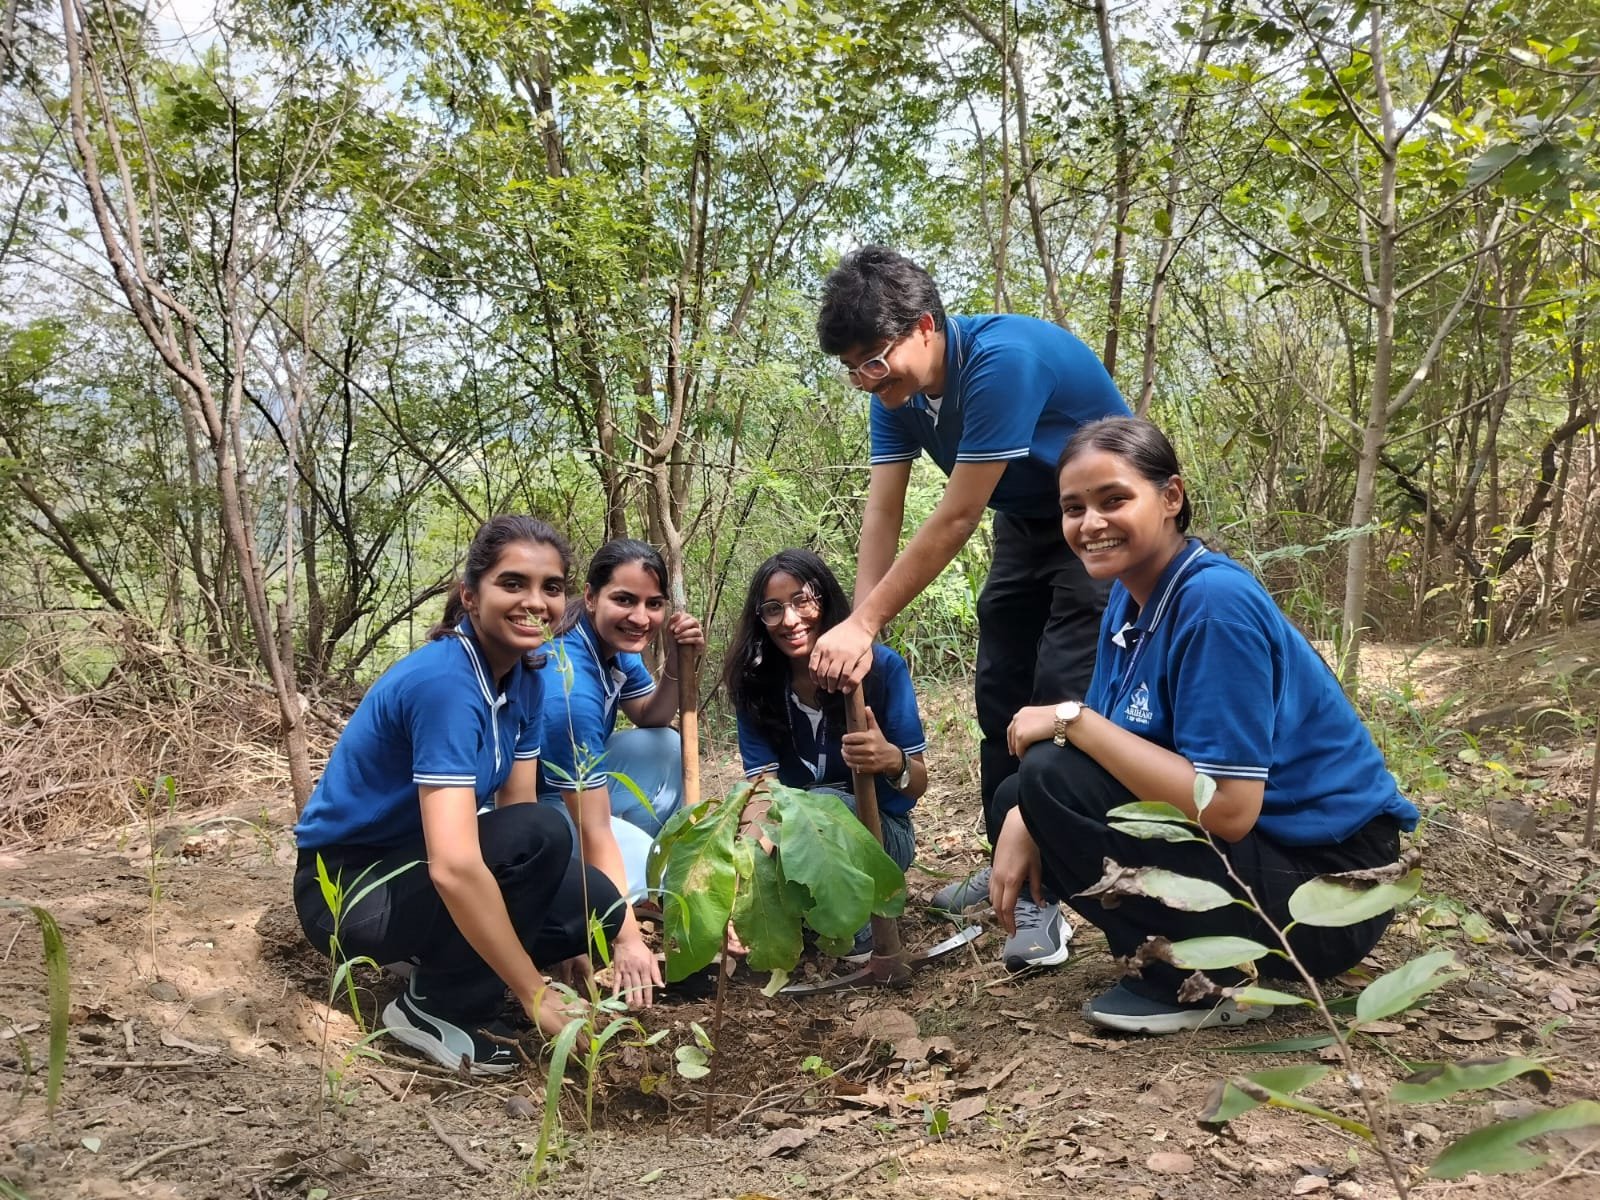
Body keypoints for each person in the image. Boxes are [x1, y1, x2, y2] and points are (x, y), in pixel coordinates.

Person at [988, 417, 1420, 1034]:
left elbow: (1227, 810)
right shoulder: (1131, 595)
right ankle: (1183, 951)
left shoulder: (1213, 604)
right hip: (1273, 859)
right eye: (1073, 507)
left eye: (1114, 499)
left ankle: (1205, 981)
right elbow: (1117, 743)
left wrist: (1070, 721)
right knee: (1024, 791)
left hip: (1332, 887)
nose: (1091, 524)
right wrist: (1028, 808)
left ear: (1170, 498)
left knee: (1051, 772)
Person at [809, 245, 1132, 970]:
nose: (867, 380)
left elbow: (953, 519)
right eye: (853, 368)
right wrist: (865, 627)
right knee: (1000, 693)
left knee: (1058, 697)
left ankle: (1051, 900)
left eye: (875, 360)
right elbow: (883, 511)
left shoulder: (1000, 361)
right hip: (1026, 522)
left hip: (1100, 527)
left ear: (925, 326)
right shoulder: (895, 399)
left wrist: (864, 623)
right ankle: (1007, 862)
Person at [292, 515, 623, 1075]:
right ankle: (433, 1006)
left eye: (551, 587)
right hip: (349, 888)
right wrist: (534, 991)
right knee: (541, 832)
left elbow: (517, 806)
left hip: (415, 870)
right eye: (512, 584)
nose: (535, 602)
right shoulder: (446, 683)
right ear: (470, 597)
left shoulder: (528, 675)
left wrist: (556, 920)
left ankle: (442, 960)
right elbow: (454, 865)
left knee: (598, 903)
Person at [724, 549, 928, 958]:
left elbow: (916, 784)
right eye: (773, 609)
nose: (791, 619)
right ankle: (801, 918)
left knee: (825, 805)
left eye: (802, 600)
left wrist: (890, 760)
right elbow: (765, 795)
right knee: (740, 831)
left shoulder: (881, 668)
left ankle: (857, 926)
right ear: (760, 619)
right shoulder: (757, 686)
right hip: (793, 837)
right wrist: (742, 884)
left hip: (882, 835)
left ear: (825, 599)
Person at [538, 538, 705, 1008]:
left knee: (665, 745)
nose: (640, 617)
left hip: (580, 782)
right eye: (624, 600)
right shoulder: (569, 688)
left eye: (654, 604)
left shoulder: (614, 646)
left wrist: (675, 660)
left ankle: (640, 892)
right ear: (590, 597)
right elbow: (592, 827)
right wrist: (626, 939)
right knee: (660, 875)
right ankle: (626, 908)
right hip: (539, 804)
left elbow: (650, 715)